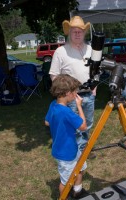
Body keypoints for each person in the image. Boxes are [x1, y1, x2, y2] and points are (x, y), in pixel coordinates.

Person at [49, 16, 96, 158]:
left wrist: (94, 89)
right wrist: (65, 94)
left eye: (80, 31)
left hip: (89, 93)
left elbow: (96, 70)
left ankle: (84, 147)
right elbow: (54, 75)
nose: (77, 34)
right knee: (73, 125)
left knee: (87, 123)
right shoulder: (60, 51)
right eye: (74, 31)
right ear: (69, 33)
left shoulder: (90, 49)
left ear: (84, 33)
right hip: (71, 96)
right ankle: (77, 150)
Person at [45, 74, 88, 198]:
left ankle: (78, 191)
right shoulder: (66, 112)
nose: (76, 93)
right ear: (68, 93)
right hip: (66, 153)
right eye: (75, 91)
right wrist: (79, 106)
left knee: (80, 168)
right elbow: (83, 126)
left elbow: (47, 122)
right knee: (66, 181)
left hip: (66, 148)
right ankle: (63, 197)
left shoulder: (53, 104)